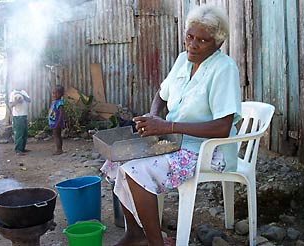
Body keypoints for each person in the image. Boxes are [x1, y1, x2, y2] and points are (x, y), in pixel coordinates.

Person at [100, 4, 242, 246]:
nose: (193, 45)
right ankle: (135, 233)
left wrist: (167, 126)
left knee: (137, 171)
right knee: (117, 158)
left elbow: (222, 127)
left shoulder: (224, 69)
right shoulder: (182, 61)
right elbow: (161, 94)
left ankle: (156, 242)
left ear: (217, 43)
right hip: (173, 139)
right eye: (190, 36)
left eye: (202, 40)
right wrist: (152, 116)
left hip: (207, 149)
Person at [9, 88, 31, 156]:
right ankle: (18, 150)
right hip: (18, 116)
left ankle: (22, 148)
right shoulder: (13, 93)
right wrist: (17, 101)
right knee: (19, 134)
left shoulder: (23, 92)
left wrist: (23, 96)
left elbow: (29, 100)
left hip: (24, 115)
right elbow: (10, 105)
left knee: (24, 133)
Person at [48, 85, 65, 155]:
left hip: (57, 122)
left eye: (56, 93)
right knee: (58, 135)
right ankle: (60, 149)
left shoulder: (59, 103)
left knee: (56, 135)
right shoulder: (54, 102)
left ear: (61, 94)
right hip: (54, 121)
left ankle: (59, 149)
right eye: (53, 93)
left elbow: (61, 113)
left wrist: (58, 122)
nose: (54, 95)